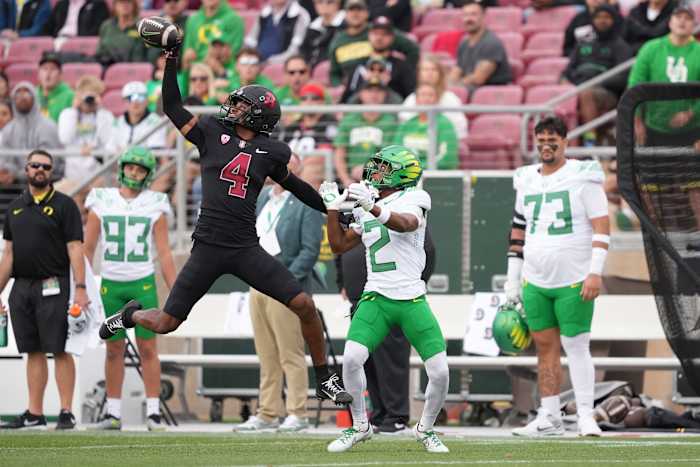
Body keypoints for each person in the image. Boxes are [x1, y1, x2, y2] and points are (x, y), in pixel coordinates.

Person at [98, 39, 352, 405]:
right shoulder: (210, 134)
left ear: (257, 116)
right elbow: (171, 105)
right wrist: (172, 59)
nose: (232, 107)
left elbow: (296, 187)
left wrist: (335, 208)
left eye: (241, 104)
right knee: (167, 322)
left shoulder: (272, 152)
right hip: (208, 247)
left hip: (245, 248)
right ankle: (131, 315)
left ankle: (325, 377)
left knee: (305, 305)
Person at [320, 145, 449, 453]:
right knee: (351, 359)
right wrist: (333, 210)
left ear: (402, 174)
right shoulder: (369, 203)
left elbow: (406, 224)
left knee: (440, 372)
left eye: (383, 168)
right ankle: (360, 425)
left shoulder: (416, 197)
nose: (375, 173)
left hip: (411, 299)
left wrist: (372, 207)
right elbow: (339, 245)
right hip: (376, 296)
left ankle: (426, 429)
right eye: (376, 166)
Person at [504, 116, 610, 437]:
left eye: (554, 139)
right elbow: (518, 231)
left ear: (565, 141)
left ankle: (586, 416)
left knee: (577, 346)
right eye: (542, 139)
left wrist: (595, 271)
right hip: (535, 280)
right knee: (544, 348)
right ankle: (548, 416)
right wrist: (512, 279)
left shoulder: (582, 175)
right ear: (535, 141)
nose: (547, 145)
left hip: (575, 278)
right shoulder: (526, 179)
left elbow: (602, 226)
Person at [84, 147, 176, 432]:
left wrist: (177, 290)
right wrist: (82, 286)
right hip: (110, 284)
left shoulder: (156, 203)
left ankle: (153, 412)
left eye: (140, 169)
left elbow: (164, 252)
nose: (134, 173)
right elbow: (87, 249)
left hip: (143, 283)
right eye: (131, 167)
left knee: (148, 348)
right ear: (122, 168)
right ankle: (112, 413)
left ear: (148, 175)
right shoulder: (101, 199)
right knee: (114, 349)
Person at [233, 154, 323, 432]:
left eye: (286, 163)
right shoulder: (261, 198)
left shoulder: (305, 201)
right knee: (266, 353)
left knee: (290, 352)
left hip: (285, 287)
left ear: (296, 168)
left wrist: (285, 281)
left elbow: (310, 251)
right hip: (258, 284)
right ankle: (268, 411)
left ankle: (298, 411)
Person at [0, 149, 87, 430]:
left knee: (60, 348)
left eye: (45, 166)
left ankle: (65, 410)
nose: (40, 170)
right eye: (35, 165)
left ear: (52, 171)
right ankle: (34, 412)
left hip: (54, 284)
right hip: (22, 287)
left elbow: (75, 248)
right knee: (32, 350)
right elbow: (9, 254)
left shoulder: (65, 205)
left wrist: (81, 288)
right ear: (26, 169)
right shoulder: (14, 207)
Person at [335, 212, 436, 435]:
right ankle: (379, 413)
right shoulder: (361, 210)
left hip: (393, 297)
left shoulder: (403, 208)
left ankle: (396, 415)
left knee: (391, 359)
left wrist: (411, 285)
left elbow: (426, 250)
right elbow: (342, 246)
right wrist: (342, 282)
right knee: (366, 360)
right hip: (361, 299)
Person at [628, 4, 700, 148]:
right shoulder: (650, 48)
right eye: (678, 17)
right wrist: (636, 120)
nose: (682, 21)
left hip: (693, 131)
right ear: (669, 22)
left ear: (694, 25)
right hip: (652, 129)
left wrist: (691, 113)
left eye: (687, 18)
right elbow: (635, 84)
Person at [561, 4, 633, 146]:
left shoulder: (621, 46)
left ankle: (590, 140)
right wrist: (568, 80)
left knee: (586, 93)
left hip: (607, 93)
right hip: (578, 87)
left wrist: (596, 82)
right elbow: (568, 71)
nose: (602, 20)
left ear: (614, 21)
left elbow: (623, 77)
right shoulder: (582, 44)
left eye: (606, 17)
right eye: (598, 17)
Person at [328, 0, 418, 87]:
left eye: (359, 10)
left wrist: (405, 71)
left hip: (384, 83)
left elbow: (412, 49)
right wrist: (339, 86)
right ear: (345, 14)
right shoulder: (337, 41)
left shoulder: (378, 30)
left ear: (367, 13)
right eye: (351, 10)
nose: (355, 14)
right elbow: (334, 73)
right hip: (352, 85)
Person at [333, 78, 397, 188]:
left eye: (378, 91)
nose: (374, 95)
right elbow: (339, 153)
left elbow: (390, 156)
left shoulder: (390, 122)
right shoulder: (349, 120)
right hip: (350, 180)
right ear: (361, 94)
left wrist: (367, 170)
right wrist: (346, 180)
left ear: (384, 95)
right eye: (369, 90)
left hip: (379, 180)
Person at [341, 16, 415, 102]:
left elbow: (410, 99)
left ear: (392, 37)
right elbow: (347, 100)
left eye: (384, 34)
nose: (379, 38)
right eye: (375, 33)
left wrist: (385, 86)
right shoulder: (359, 65)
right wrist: (366, 84)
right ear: (369, 35)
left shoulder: (402, 66)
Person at [57, 75, 113, 186]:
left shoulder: (105, 115)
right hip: (73, 175)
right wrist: (74, 110)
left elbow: (106, 139)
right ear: (78, 95)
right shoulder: (67, 114)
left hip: (98, 176)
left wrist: (99, 110)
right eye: (88, 95)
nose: (90, 100)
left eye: (95, 94)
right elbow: (65, 138)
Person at [448, 0, 513, 95]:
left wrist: (455, 85)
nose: (468, 19)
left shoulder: (491, 42)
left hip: (491, 94)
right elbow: (457, 70)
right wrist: (446, 85)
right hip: (468, 89)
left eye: (473, 14)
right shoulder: (464, 42)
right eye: (465, 15)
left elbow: (478, 78)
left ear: (483, 17)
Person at [2, 82, 63, 179]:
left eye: (27, 93)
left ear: (35, 98)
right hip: (16, 185)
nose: (22, 97)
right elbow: (5, 160)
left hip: (46, 182)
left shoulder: (48, 126)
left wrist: (18, 174)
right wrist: (10, 172)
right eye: (18, 94)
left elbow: (50, 162)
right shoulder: (8, 130)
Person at [400, 55, 468, 140]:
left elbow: (459, 128)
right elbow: (404, 124)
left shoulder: (451, 98)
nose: (430, 73)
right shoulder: (411, 98)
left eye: (434, 70)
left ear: (440, 74)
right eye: (425, 70)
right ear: (419, 74)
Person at [393, 84, 458, 170]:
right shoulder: (407, 124)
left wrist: (419, 169)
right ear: (416, 100)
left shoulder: (445, 124)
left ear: (437, 100)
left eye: (431, 95)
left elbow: (448, 158)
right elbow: (395, 152)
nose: (426, 99)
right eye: (423, 95)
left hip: (435, 176)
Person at [106, 81, 167, 155]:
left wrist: (125, 152)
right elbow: (109, 150)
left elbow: (155, 152)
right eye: (130, 98)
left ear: (147, 100)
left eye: (140, 97)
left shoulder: (156, 121)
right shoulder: (118, 122)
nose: (135, 102)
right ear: (124, 101)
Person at [182, 0, 245, 70]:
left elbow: (232, 53)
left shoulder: (234, 19)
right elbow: (188, 51)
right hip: (196, 73)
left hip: (223, 73)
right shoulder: (193, 20)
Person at [95, 0, 160, 65]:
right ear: (115, 5)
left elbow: (153, 55)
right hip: (107, 67)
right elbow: (100, 52)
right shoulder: (106, 26)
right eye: (121, 2)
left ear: (134, 5)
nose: (125, 5)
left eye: (128, 1)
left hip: (134, 69)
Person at [278, 83, 337, 155]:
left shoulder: (329, 123)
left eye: (314, 98)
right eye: (304, 98)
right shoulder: (292, 127)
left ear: (322, 102)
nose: (309, 102)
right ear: (300, 103)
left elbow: (326, 153)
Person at [244, 0, 311, 64]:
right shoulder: (263, 14)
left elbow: (295, 50)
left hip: (282, 64)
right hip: (258, 62)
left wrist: (271, 61)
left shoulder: (299, 15)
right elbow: (250, 41)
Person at [300, 0, 345, 69]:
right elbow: (303, 50)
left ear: (338, 3)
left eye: (329, 2)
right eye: (319, 2)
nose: (324, 5)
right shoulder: (312, 26)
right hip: (310, 70)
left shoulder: (346, 23)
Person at [42, 0, 110, 37]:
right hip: (58, 39)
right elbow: (48, 27)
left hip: (80, 41)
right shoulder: (61, 4)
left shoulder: (98, 4)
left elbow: (99, 28)